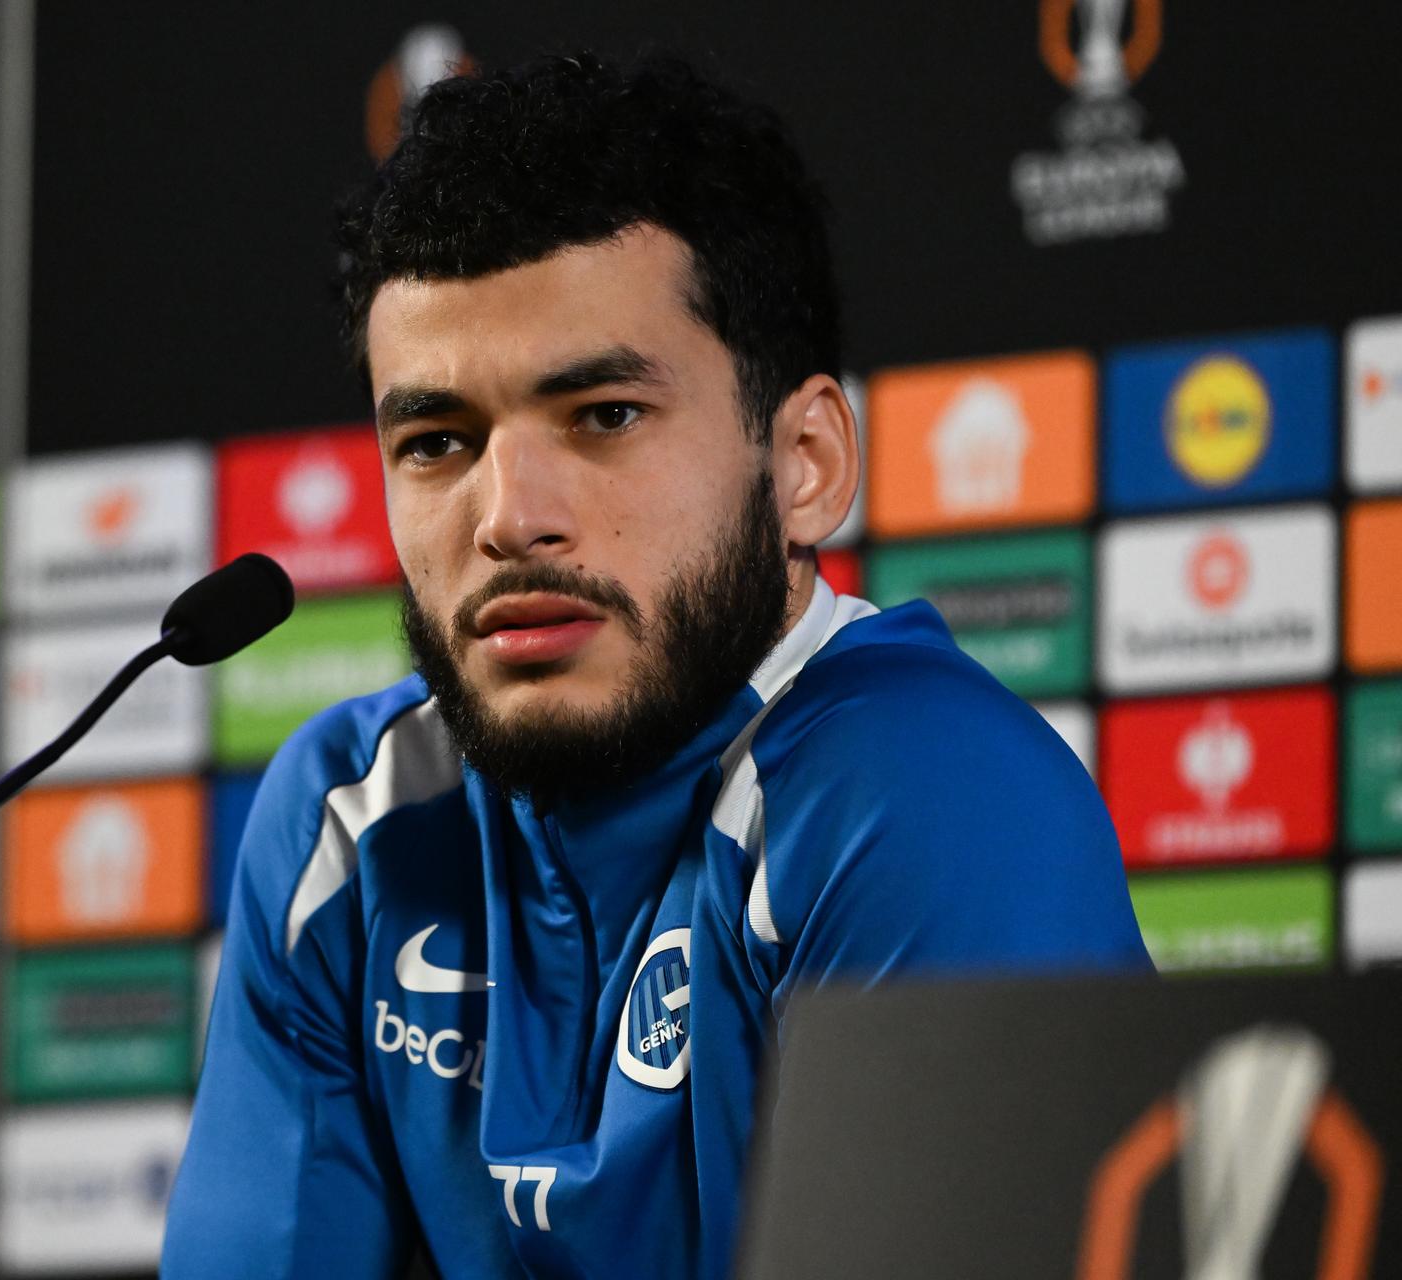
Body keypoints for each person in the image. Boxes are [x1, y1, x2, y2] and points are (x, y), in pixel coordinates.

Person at [165, 53, 1149, 1279]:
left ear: (804, 462)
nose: (508, 515)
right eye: (436, 441)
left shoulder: (922, 794)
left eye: (605, 416)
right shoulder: (351, 823)